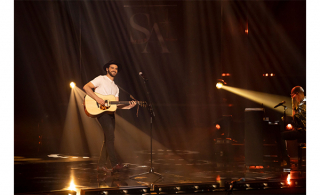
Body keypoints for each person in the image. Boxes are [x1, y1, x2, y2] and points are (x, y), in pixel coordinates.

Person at [83, 60, 136, 173]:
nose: (114, 70)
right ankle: (114, 164)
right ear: (107, 69)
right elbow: (86, 87)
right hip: (101, 112)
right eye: (112, 68)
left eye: (116, 69)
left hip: (110, 113)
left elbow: (115, 105)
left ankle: (101, 165)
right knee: (111, 138)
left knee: (108, 139)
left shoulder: (116, 87)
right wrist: (98, 99)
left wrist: (128, 107)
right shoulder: (101, 79)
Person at [279, 86, 306, 167]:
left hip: (304, 132)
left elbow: (296, 119)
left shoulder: (302, 104)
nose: (291, 97)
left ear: (296, 94)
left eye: (292, 95)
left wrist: (293, 105)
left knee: (280, 136)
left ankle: (285, 159)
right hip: (303, 131)